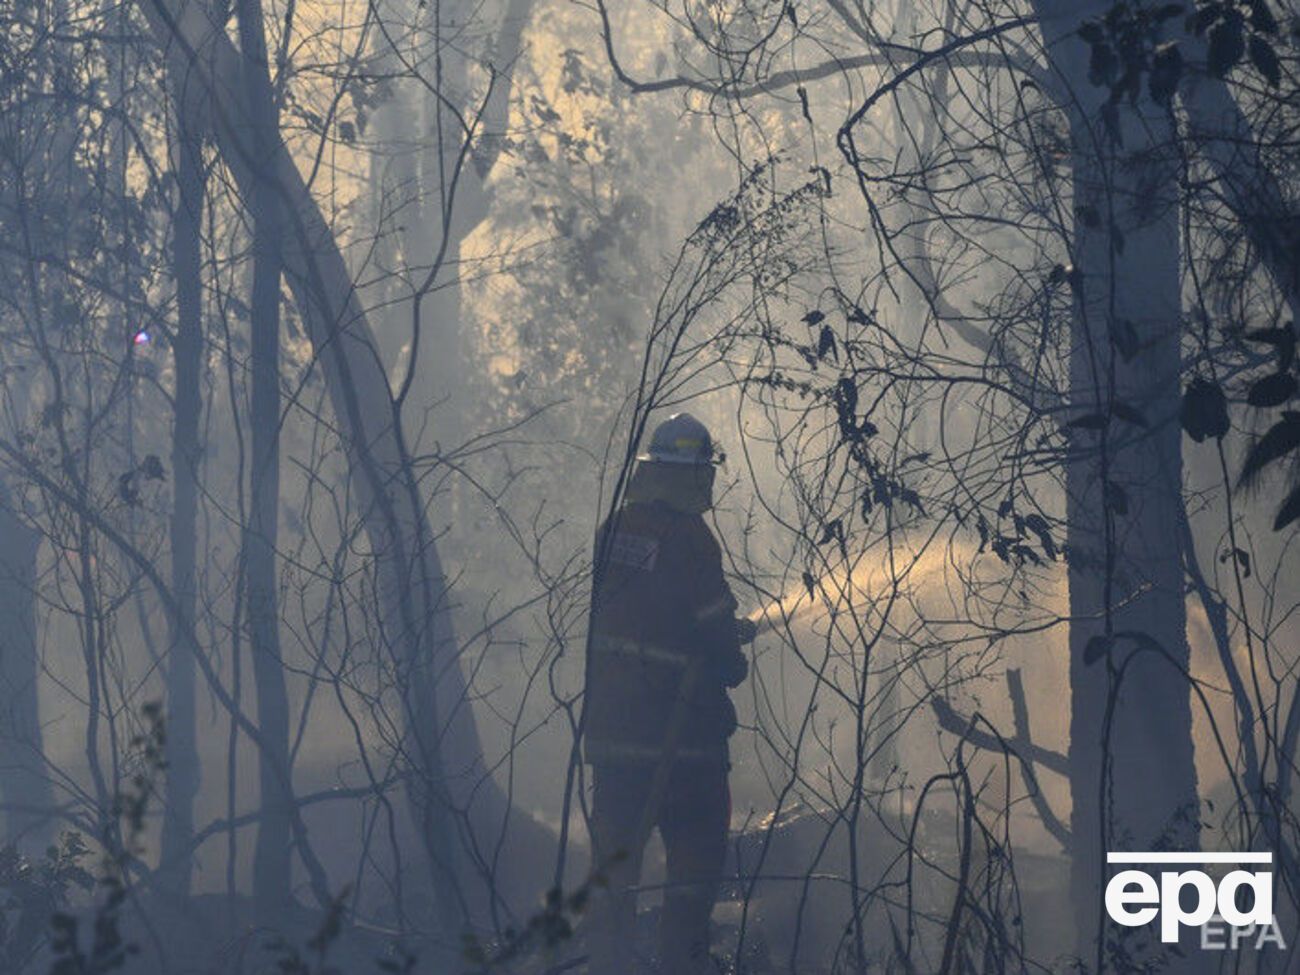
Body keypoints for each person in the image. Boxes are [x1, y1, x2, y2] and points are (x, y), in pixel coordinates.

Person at [584, 413, 756, 974]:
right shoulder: (690, 539)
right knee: (692, 882)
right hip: (684, 744)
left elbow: (642, 617)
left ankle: (607, 965)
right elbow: (717, 643)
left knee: (614, 880)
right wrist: (730, 650)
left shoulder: (615, 529)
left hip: (613, 742)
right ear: (693, 477)